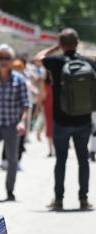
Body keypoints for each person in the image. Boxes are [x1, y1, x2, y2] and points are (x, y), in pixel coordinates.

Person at [34, 28, 96, 211]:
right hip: (83, 119)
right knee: (83, 159)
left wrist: (55, 48)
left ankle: (59, 199)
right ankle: (83, 199)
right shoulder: (89, 63)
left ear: (61, 44)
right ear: (77, 43)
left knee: (60, 160)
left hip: (61, 120)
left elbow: (38, 57)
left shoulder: (56, 61)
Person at [0, 44, 30, 202]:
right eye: (1, 58)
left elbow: (26, 104)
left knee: (12, 159)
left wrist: (22, 122)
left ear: (12, 60)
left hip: (12, 124)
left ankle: (10, 190)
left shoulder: (19, 80)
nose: (3, 61)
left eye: (7, 58)